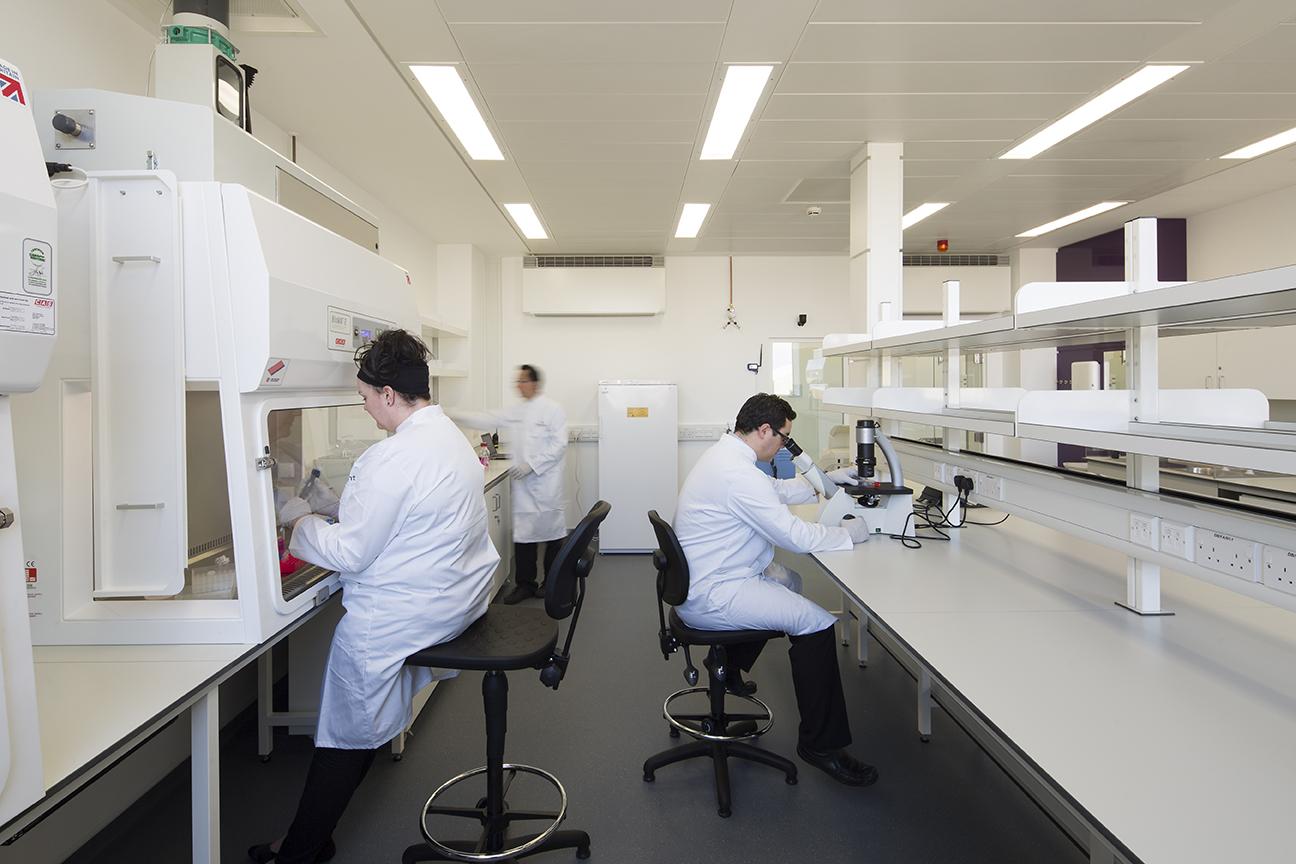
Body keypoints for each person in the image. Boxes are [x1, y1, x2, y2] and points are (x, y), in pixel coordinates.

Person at [250, 330, 500, 863]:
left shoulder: (392, 458)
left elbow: (352, 554)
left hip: (402, 614)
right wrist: (335, 505)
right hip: (450, 600)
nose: (365, 409)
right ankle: (309, 835)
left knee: (343, 727)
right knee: (354, 722)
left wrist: (298, 518)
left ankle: (299, 850)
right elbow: (403, 517)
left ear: (388, 394)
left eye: (365, 398)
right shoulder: (445, 435)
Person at [672, 393, 877, 787]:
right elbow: (793, 534)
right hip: (717, 592)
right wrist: (846, 535)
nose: (784, 445)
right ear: (764, 430)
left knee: (790, 583)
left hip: (713, 577)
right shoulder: (737, 473)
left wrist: (824, 480)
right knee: (816, 624)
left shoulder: (728, 457)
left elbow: (774, 492)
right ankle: (822, 746)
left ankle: (730, 668)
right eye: (783, 437)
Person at [448, 365, 568, 605]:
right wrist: (452, 414)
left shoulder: (553, 410)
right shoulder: (518, 410)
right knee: (524, 537)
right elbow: (488, 418)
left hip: (545, 484)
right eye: (518, 381)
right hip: (525, 488)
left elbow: (559, 444)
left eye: (522, 381)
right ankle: (525, 584)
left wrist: (531, 465)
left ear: (535, 383)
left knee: (552, 538)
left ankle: (552, 584)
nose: (518, 385)